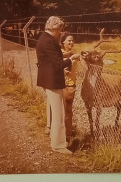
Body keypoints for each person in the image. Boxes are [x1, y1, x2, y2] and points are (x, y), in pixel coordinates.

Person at [36, 16, 80, 154]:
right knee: (59, 114)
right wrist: (71, 59)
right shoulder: (49, 41)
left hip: (48, 79)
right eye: (60, 29)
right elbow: (57, 64)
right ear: (55, 28)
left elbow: (52, 60)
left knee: (57, 112)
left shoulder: (44, 38)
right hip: (52, 81)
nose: (61, 32)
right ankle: (59, 145)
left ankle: (55, 141)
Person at [61, 32, 78, 141]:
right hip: (63, 86)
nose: (71, 42)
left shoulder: (74, 54)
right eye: (69, 40)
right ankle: (63, 133)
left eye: (72, 40)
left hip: (72, 86)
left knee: (69, 110)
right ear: (63, 42)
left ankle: (68, 132)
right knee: (63, 110)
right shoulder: (59, 54)